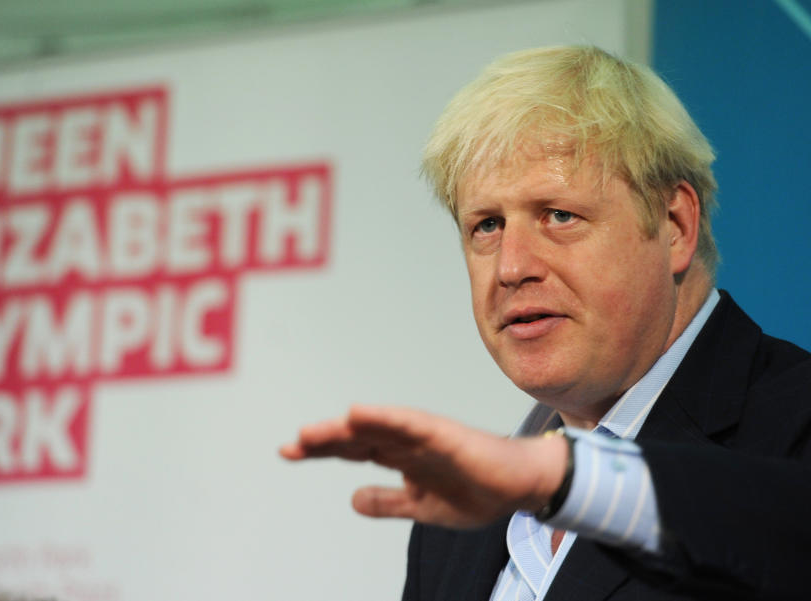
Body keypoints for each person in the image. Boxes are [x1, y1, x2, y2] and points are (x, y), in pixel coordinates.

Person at [280, 46, 811, 600]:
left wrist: (564, 480)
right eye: (486, 225)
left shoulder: (795, 428)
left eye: (559, 215)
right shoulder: (454, 527)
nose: (511, 267)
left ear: (674, 224)